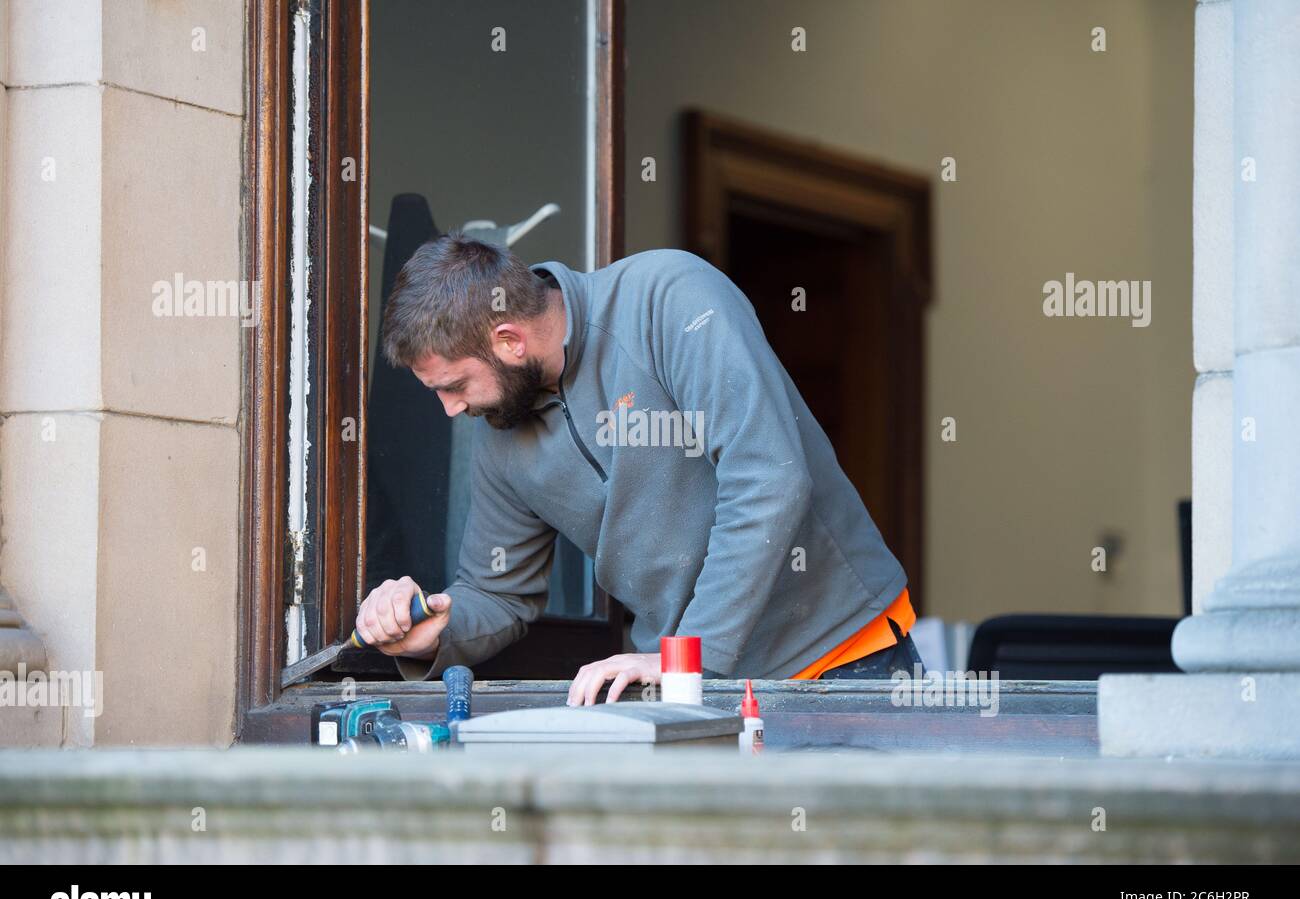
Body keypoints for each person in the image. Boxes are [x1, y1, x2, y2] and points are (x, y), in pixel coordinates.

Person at [354, 233, 923, 704]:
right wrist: (436, 634)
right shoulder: (502, 430)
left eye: (453, 385)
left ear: (509, 340)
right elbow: (497, 592)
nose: (451, 409)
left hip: (841, 655)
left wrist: (687, 655)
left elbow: (768, 477)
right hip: (691, 689)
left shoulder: (669, 298)